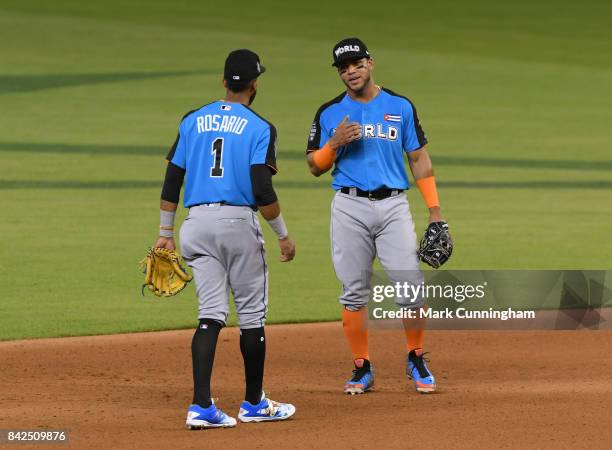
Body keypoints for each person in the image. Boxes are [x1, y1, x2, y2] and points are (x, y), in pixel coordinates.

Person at [155, 49, 296, 428]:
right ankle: (253, 404)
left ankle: (202, 406)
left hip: (195, 225)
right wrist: (283, 235)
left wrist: (164, 234)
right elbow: (261, 188)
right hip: (237, 224)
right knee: (251, 316)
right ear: (255, 84)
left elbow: (173, 179)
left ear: (223, 82)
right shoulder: (259, 126)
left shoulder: (192, 119)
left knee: (210, 316)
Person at [306, 38, 445, 394]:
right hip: (348, 207)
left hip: (394, 207)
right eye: (343, 67)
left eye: (356, 64)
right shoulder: (329, 112)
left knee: (410, 286)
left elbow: (419, 159)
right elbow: (314, 167)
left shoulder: (399, 106)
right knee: (353, 292)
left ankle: (415, 357)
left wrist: (435, 213)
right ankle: (361, 365)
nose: (350, 71)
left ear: (371, 63)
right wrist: (333, 144)